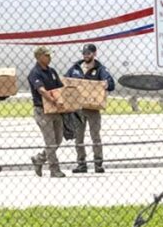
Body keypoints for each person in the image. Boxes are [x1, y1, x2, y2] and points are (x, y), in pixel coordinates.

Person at [65, 44, 115, 174]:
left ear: (94, 53)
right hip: (78, 108)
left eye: (88, 53)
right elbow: (65, 80)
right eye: (84, 53)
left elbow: (111, 83)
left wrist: (106, 83)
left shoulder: (100, 69)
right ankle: (81, 164)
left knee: (95, 136)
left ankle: (98, 163)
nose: (86, 55)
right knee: (78, 137)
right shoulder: (75, 68)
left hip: (93, 108)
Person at [28, 46, 66, 178]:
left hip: (55, 110)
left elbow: (60, 87)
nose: (50, 57)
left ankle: (39, 159)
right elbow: (41, 90)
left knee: (58, 139)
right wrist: (53, 100)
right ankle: (54, 169)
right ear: (39, 57)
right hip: (42, 110)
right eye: (47, 55)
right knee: (50, 141)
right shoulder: (35, 73)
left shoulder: (52, 71)